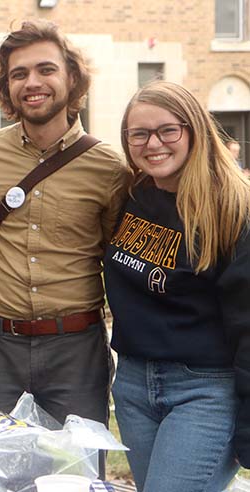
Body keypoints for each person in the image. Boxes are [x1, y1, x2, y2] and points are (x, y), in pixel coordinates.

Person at [0, 19, 130, 426]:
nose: (32, 82)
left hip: (75, 349)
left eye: (46, 69)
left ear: (71, 77)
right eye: (18, 74)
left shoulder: (110, 166)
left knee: (75, 473)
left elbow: (120, 257)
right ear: (6, 88)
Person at [105, 81, 250, 491]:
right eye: (139, 133)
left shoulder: (233, 208)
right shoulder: (130, 195)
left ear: (194, 130)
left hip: (205, 391)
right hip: (133, 386)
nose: (153, 144)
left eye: (168, 130)